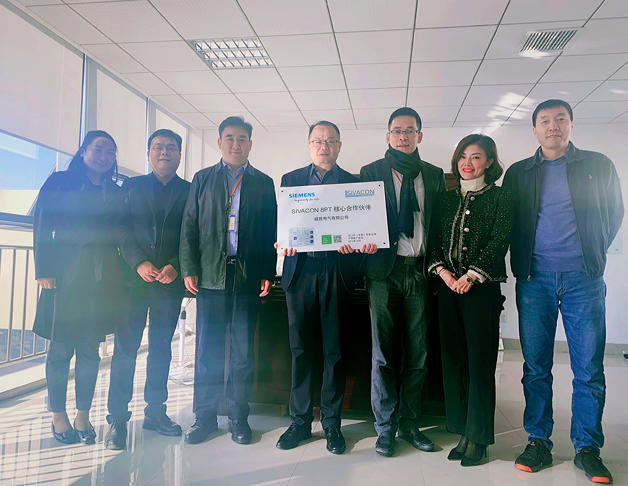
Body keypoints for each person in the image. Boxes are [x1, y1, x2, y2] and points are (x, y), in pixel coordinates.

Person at [503, 99, 624, 484]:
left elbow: (614, 213)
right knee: (535, 366)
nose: (552, 126)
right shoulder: (519, 172)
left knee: (588, 367)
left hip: (583, 279)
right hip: (534, 279)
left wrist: (593, 252)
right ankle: (538, 441)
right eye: (545, 120)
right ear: (534, 130)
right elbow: (508, 220)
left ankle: (587, 448)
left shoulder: (598, 165)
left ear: (571, 125)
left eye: (560, 119)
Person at [275, 121, 377, 455]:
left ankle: (332, 423)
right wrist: (282, 242)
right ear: (309, 145)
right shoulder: (291, 181)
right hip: (301, 271)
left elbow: (362, 230)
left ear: (339, 146)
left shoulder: (355, 184)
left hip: (337, 270)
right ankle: (300, 422)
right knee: (300, 349)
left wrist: (358, 244)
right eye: (318, 141)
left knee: (335, 351)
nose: (324, 146)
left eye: (331, 141)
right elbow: (284, 224)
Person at [180, 116, 277, 445]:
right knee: (207, 352)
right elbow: (189, 226)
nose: (236, 144)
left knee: (242, 355)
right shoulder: (202, 179)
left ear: (250, 144)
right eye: (230, 138)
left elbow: (270, 230)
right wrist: (189, 267)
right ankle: (204, 417)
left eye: (242, 139)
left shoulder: (262, 182)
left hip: (246, 278)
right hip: (210, 278)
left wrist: (267, 271)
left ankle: (238, 418)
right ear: (220, 142)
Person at [360, 107, 446, 456]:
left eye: (410, 131)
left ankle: (410, 424)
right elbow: (359, 217)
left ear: (419, 136)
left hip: (420, 270)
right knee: (383, 354)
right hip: (384, 271)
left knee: (418, 353)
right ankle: (384, 428)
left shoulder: (434, 174)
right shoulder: (371, 172)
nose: (403, 136)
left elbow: (439, 224)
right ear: (388, 136)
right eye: (397, 131)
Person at [33, 130, 124, 445]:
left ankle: (82, 414)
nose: (104, 157)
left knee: (89, 350)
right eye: (98, 149)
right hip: (64, 274)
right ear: (84, 150)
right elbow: (42, 222)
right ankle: (58, 416)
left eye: (110, 152)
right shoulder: (60, 182)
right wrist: (43, 269)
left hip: (101, 278)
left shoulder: (114, 190)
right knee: (60, 349)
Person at [427, 134, 512, 466]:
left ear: (488, 162)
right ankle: (463, 431)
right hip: (448, 289)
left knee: (479, 365)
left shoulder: (501, 197)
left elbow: (500, 240)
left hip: (481, 291)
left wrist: (472, 276)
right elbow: (435, 241)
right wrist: (445, 274)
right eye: (463, 156)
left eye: (476, 157)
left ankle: (479, 438)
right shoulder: (444, 199)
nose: (467, 163)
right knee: (454, 362)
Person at [104, 129, 191, 450]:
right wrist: (138, 262)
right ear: (149, 153)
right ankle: (117, 419)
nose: (164, 152)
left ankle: (155, 412)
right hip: (133, 282)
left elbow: (193, 233)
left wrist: (176, 265)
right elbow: (120, 228)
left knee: (160, 349)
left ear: (179, 155)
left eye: (171, 148)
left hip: (169, 282)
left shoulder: (190, 191)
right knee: (125, 351)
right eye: (158, 147)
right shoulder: (131, 186)